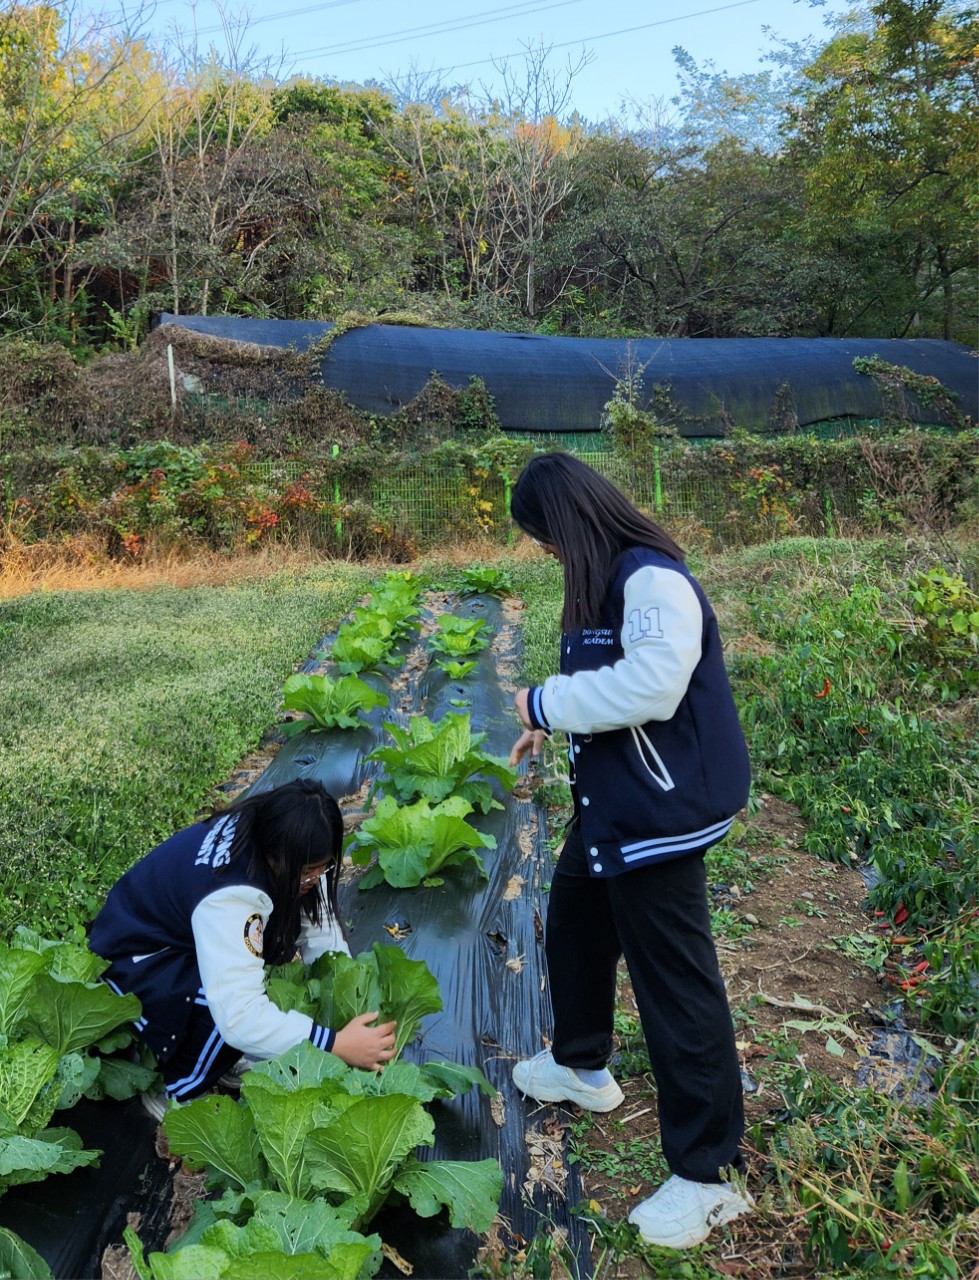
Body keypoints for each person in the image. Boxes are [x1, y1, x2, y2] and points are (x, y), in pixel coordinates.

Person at [506, 452, 753, 1250]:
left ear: (566, 522)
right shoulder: (602, 580)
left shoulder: (649, 579)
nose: (544, 552)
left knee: (675, 984)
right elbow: (604, 682)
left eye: (542, 537)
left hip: (660, 811)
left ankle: (708, 1177)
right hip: (614, 805)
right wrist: (546, 724)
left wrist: (543, 700)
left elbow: (652, 685)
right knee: (575, 922)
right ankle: (581, 1066)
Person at [89, 778, 397, 1120]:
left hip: (168, 932)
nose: (315, 879)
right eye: (308, 873)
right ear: (278, 857)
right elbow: (239, 1016)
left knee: (255, 968)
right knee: (225, 1006)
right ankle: (175, 1093)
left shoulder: (269, 831)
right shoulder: (231, 896)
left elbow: (320, 926)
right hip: (135, 960)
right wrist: (335, 1043)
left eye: (322, 869)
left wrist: (345, 993)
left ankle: (216, 1061)